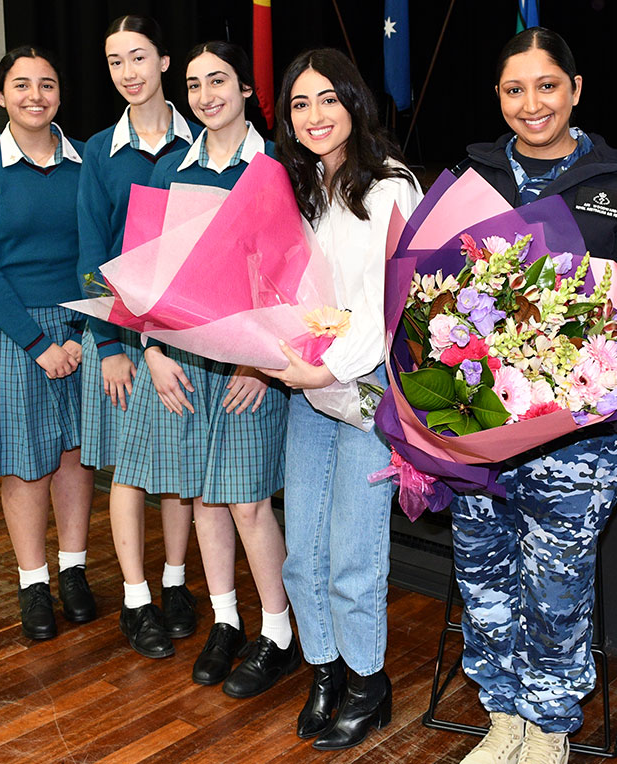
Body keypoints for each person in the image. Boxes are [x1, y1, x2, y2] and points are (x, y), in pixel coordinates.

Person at [448, 26, 617, 764]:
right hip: (477, 428)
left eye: (548, 85)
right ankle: (503, 718)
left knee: (556, 591)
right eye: (515, 89)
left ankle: (551, 727)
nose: (533, 104)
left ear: (576, 89)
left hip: (578, 439)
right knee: (486, 581)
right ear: (499, 96)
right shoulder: (469, 180)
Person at [263, 48, 421, 750]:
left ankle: (367, 681)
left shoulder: (390, 189)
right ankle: (322, 667)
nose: (315, 115)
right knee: (304, 552)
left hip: (363, 396)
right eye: (300, 104)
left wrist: (329, 371)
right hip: (307, 395)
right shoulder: (299, 191)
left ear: (354, 104)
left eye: (328, 99)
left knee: (356, 556)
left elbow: (395, 308)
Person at [128, 40, 297, 695]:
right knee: (202, 497)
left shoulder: (276, 166)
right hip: (186, 362)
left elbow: (296, 275)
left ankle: (278, 630)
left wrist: (259, 366)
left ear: (247, 89)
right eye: (194, 84)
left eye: (218, 80)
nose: (205, 95)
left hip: (251, 368)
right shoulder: (175, 167)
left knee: (250, 505)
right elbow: (150, 274)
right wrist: (151, 350)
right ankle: (226, 620)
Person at [0, 46, 95, 642]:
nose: (36, 95)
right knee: (26, 460)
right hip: (9, 330)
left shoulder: (87, 162)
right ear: (2, 96)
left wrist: (87, 331)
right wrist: (38, 343)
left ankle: (74, 571)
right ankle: (33, 581)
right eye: (22, 84)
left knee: (76, 454)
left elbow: (101, 251)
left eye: (48, 84)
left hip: (81, 328)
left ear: (60, 94)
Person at [77, 14, 197, 658]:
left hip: (188, 335)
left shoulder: (204, 139)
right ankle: (135, 597)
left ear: (165, 62)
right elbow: (90, 255)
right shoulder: (99, 150)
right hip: (124, 338)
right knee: (129, 471)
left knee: (177, 465)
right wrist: (108, 346)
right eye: (116, 61)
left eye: (139, 57)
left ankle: (177, 583)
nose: (128, 72)